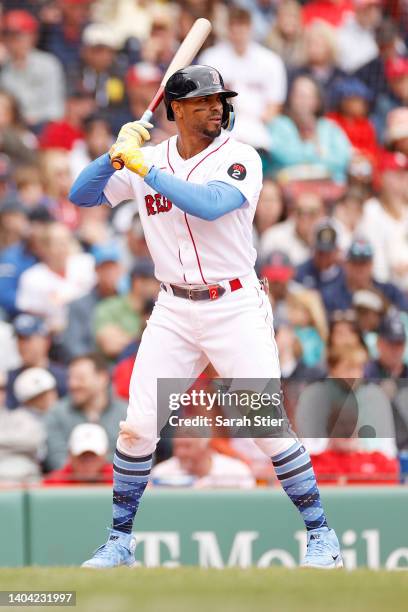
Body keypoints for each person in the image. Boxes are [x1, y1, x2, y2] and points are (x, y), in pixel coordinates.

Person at [69, 63, 343, 569]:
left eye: (219, 99)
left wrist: (145, 169)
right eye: (202, 101)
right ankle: (119, 542)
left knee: (264, 427)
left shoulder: (240, 156)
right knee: (137, 428)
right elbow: (80, 195)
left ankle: (322, 535)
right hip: (173, 306)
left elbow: (212, 204)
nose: (216, 107)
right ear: (174, 109)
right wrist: (113, 154)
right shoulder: (144, 156)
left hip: (234, 303)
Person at [199, 7, 287, 150]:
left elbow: (274, 105)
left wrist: (257, 124)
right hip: (222, 124)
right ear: (228, 29)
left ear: (250, 28)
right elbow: (204, 100)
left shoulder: (270, 61)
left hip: (259, 125)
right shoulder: (211, 58)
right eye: (234, 28)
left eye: (242, 28)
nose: (238, 34)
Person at [44, 353, 127, 471]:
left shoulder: (126, 414)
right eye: (70, 378)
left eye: (80, 378)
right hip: (72, 487)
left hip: (118, 485)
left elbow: (139, 457)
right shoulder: (57, 413)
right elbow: (57, 459)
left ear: (102, 378)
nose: (73, 384)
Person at [266, 75, 352, 184]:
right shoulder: (279, 124)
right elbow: (284, 156)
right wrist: (316, 153)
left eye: (307, 96)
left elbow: (342, 159)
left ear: (317, 100)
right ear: (290, 98)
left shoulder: (330, 127)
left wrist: (307, 157)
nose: (303, 101)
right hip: (291, 186)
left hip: (327, 185)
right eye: (299, 96)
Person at [16, 221, 95, 332]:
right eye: (58, 242)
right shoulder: (31, 278)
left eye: (67, 240)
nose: (63, 246)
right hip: (54, 337)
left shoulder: (86, 263)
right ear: (44, 248)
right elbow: (32, 316)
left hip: (88, 328)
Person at [0, 10, 65, 129]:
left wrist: (34, 118)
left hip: (44, 126)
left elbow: (56, 110)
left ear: (33, 36)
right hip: (13, 130)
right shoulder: (4, 66)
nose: (14, 41)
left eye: (19, 35)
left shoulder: (48, 64)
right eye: (9, 36)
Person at [62, 242, 123, 361]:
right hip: (92, 368)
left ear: (120, 269)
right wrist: (97, 366)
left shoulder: (128, 303)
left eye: (113, 267)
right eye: (104, 268)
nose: (109, 273)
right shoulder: (79, 305)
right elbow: (73, 345)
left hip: (125, 369)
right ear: (96, 270)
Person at [356, 151, 408, 290]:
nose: (403, 179)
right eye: (397, 174)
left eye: (405, 174)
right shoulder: (372, 211)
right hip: (387, 293)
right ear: (382, 178)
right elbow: (378, 270)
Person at [321, 238, 408, 314]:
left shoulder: (389, 291)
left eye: (364, 263)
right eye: (355, 263)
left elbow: (404, 314)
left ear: (371, 265)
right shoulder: (332, 295)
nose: (360, 269)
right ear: (346, 265)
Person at [6, 314, 67, 409]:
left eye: (27, 339)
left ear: (46, 341)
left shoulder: (63, 376)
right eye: (19, 339)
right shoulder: (8, 378)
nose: (22, 345)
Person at [151, 436, 255, 489]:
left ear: (207, 448)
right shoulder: (161, 472)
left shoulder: (237, 471)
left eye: (187, 446)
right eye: (177, 446)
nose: (180, 453)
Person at [260, 191, 324, 264]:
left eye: (312, 212)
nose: (305, 217)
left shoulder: (332, 232)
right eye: (300, 212)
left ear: (322, 214)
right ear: (292, 213)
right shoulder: (274, 237)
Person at [43, 423, 113, 486]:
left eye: (93, 457)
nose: (87, 464)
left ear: (105, 454)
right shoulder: (53, 484)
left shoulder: (119, 481)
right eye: (82, 457)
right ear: (70, 455)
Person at [295, 219, 343, 290]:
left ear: (336, 251)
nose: (324, 258)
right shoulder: (300, 272)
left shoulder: (344, 275)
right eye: (320, 252)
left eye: (328, 253)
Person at [337, 0, 382, 73]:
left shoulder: (375, 31)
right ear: (357, 9)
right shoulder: (342, 33)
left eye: (375, 8)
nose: (373, 13)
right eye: (368, 9)